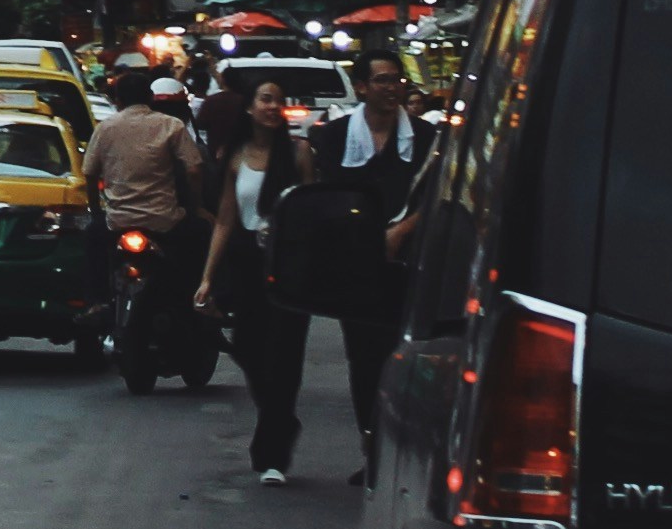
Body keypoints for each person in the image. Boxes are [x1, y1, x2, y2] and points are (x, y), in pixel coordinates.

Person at [285, 51, 442, 481]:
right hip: (355, 267)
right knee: (364, 360)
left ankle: (410, 449)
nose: (391, 88)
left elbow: (438, 198)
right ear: (362, 88)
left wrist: (402, 231)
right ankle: (372, 446)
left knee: (410, 355)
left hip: (408, 264)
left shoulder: (427, 138)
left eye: (397, 81)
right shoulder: (333, 137)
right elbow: (322, 197)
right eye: (382, 80)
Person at [191, 72, 317, 484]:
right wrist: (208, 277)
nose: (271, 107)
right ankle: (281, 420)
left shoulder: (299, 154)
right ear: (249, 107)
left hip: (289, 269)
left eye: (277, 101)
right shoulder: (235, 155)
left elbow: (310, 213)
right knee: (247, 347)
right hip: (247, 267)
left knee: (285, 359)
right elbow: (226, 220)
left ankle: (272, 455)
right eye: (264, 99)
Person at [86, 64, 201, 377]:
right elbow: (193, 169)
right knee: (195, 253)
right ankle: (199, 301)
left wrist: (97, 211)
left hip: (117, 222)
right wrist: (195, 204)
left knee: (92, 243)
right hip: (164, 222)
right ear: (150, 98)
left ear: (118, 100)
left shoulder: (106, 128)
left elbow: (89, 173)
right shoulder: (170, 126)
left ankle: (97, 301)